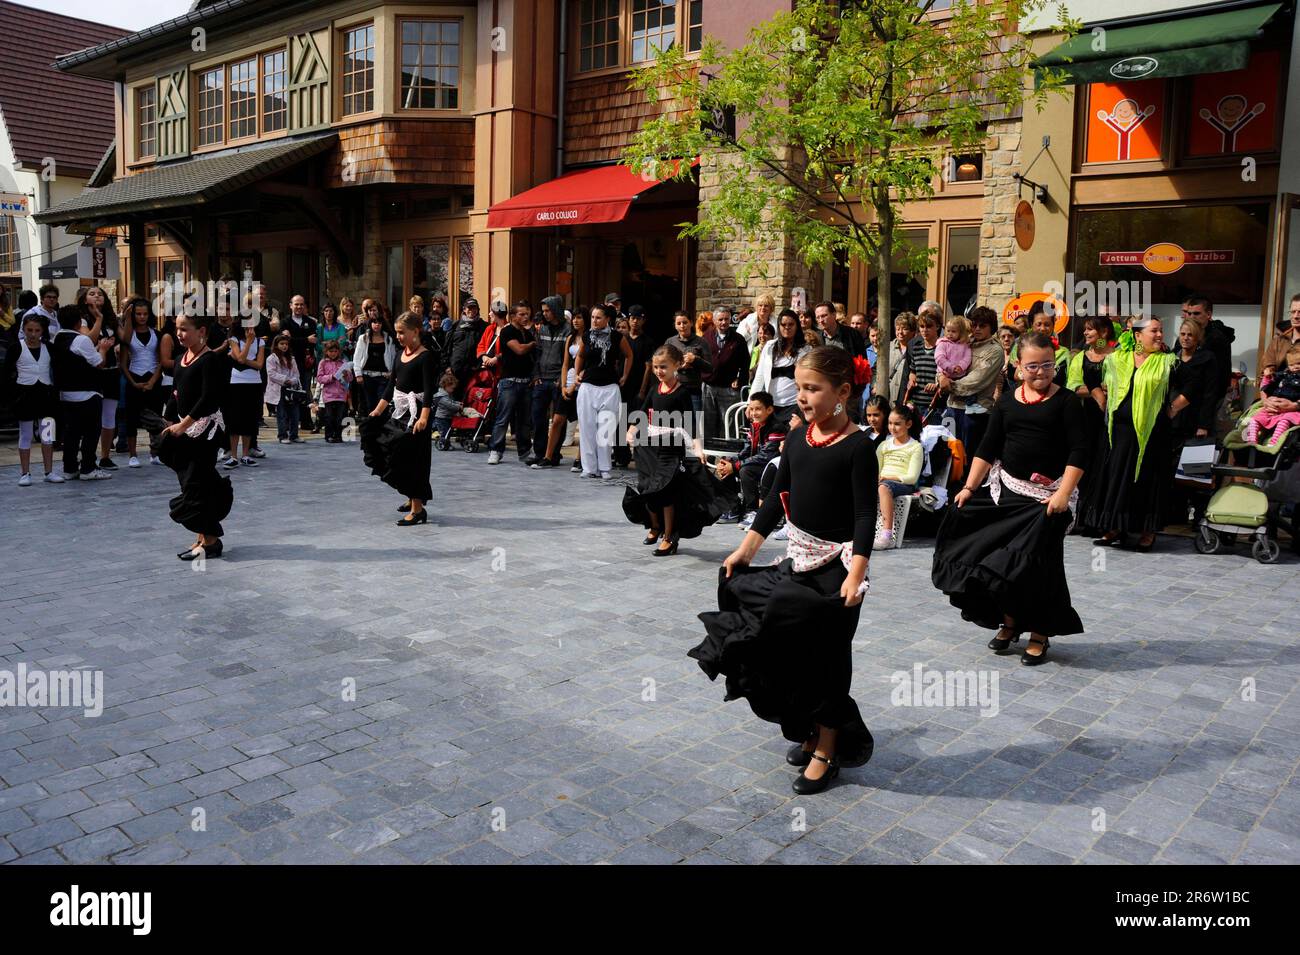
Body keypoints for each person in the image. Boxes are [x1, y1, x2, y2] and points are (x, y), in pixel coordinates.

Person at [690, 346, 876, 795]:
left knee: (827, 658)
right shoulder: (797, 438)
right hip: (798, 560)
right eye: (801, 388)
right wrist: (746, 548)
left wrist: (856, 572)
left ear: (843, 392)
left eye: (814, 389)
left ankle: (829, 746)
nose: (804, 397)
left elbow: (866, 516)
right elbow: (775, 500)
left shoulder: (857, 448)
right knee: (775, 634)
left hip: (837, 569)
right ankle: (811, 727)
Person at [932, 331, 1088, 666]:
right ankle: (1010, 622)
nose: (1041, 372)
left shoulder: (1067, 402)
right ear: (1018, 365)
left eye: (1047, 365)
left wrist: (1062, 494)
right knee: (999, 561)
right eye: (1033, 366)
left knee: (1037, 566)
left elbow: (1080, 451)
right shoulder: (1006, 403)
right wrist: (969, 488)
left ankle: (1040, 634)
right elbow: (987, 449)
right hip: (1009, 492)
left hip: (1048, 500)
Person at [622, 345, 727, 554]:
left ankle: (670, 537)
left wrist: (698, 449)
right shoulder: (654, 389)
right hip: (649, 448)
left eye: (663, 367)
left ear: (676, 366)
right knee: (647, 488)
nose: (659, 371)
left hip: (671, 450)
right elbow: (642, 414)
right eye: (655, 367)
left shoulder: (682, 393)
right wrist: (631, 431)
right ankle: (655, 526)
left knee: (665, 492)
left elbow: (691, 426)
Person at [1085, 316, 1177, 553]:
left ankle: (1147, 532)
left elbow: (1194, 385)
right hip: (1120, 432)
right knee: (1119, 478)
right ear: (1137, 336)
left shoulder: (1167, 362)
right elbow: (1091, 371)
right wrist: (1099, 396)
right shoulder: (1118, 358)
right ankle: (1115, 527)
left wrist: (1173, 408)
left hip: (1152, 434)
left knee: (1147, 479)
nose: (1159, 335)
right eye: (1154, 331)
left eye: (1161, 331)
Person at [160, 313, 234, 561]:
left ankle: (211, 539)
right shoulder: (181, 358)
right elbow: (176, 393)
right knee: (195, 484)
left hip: (205, 432)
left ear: (201, 331)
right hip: (184, 429)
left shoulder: (210, 360)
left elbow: (209, 398)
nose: (179, 334)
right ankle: (204, 537)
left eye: (184, 329)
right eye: (177, 329)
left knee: (195, 484)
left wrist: (185, 424)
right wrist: (169, 421)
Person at [361, 313, 436, 525]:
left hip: (418, 414)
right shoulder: (399, 354)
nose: (399, 336)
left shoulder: (426, 357)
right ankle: (411, 496)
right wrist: (377, 411)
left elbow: (429, 391)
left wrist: (423, 418)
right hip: (401, 412)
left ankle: (418, 508)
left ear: (416, 331)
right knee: (392, 451)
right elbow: (390, 387)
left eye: (402, 332)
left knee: (415, 460)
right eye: (397, 332)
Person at [50, 304, 114, 480]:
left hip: (66, 394)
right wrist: (103, 349)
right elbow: (98, 363)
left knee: (72, 433)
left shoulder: (57, 338)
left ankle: (69, 467)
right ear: (79, 322)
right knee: (91, 432)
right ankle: (88, 467)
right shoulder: (81, 340)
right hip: (87, 393)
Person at [1068, 316, 1115, 533]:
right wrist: (1096, 391)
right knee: (1083, 466)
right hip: (1085, 418)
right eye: (1085, 330)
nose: (1085, 334)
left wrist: (1103, 391)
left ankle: (1099, 520)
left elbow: (1118, 385)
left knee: (1102, 466)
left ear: (1104, 333)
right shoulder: (1080, 357)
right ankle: (1081, 518)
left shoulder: (1115, 356)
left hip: (1108, 421)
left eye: (1090, 330)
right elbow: (1073, 386)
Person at [574, 303, 632, 480]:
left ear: (607, 319)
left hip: (609, 387)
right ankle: (589, 467)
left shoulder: (616, 336)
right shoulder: (587, 336)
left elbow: (629, 355)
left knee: (605, 430)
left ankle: (605, 467)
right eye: (592, 317)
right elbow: (580, 356)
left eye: (598, 317)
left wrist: (624, 376)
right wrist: (577, 374)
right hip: (588, 386)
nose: (594, 320)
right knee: (587, 428)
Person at [938, 306, 1003, 456]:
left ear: (991, 328)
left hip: (975, 412)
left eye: (982, 325)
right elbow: (943, 363)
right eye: (974, 325)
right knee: (948, 454)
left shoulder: (994, 350)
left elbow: (977, 380)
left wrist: (950, 385)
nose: (977, 329)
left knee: (968, 457)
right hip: (952, 406)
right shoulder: (963, 342)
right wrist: (941, 377)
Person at [715, 390, 786, 525]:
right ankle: (733, 508)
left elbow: (766, 456)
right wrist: (730, 462)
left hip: (773, 467)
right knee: (727, 465)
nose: (753, 413)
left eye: (758, 409)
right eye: (751, 409)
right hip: (758, 463)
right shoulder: (754, 425)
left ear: (769, 409)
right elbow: (746, 450)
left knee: (745, 470)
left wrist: (736, 465)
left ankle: (752, 511)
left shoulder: (776, 427)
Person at [4, 314, 60, 485]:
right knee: (26, 434)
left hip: (46, 395)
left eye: (37, 330)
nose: (33, 334)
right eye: (29, 330)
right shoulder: (16, 348)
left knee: (47, 435)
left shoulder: (49, 348)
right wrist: (12, 395)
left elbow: (56, 369)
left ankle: (49, 471)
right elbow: (6, 373)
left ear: (42, 331)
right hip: (25, 394)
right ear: (24, 329)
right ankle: (25, 472)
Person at [486, 301, 536, 466]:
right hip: (509, 381)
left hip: (525, 381)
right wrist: (533, 344)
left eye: (527, 314)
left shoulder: (528, 333)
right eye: (521, 314)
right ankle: (496, 450)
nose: (525, 317)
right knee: (503, 418)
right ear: (513, 316)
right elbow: (519, 350)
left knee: (524, 420)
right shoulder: (507, 331)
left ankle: (524, 451)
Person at [119, 297, 164, 468]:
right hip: (134, 377)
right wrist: (132, 382)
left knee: (155, 417)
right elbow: (123, 363)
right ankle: (133, 455)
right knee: (131, 418)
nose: (142, 317)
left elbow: (161, 360)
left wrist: (153, 380)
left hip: (153, 377)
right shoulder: (128, 336)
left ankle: (155, 453)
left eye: (145, 313)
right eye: (138, 314)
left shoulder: (156, 334)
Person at [874, 405, 924, 548]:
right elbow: (876, 470)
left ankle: (887, 536)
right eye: (890, 423)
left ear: (908, 424)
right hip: (883, 481)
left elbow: (912, 477)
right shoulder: (883, 445)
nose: (892, 427)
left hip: (903, 485)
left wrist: (887, 478)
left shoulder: (915, 447)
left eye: (897, 424)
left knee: (884, 487)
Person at [528, 295, 569, 467]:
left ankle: (554, 454)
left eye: (548, 310)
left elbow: (568, 359)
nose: (545, 314)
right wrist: (536, 376)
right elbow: (536, 354)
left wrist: (562, 379)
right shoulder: (542, 329)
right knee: (538, 417)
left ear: (556, 310)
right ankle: (539, 453)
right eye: (543, 311)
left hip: (557, 381)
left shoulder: (568, 330)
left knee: (558, 420)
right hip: (541, 379)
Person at [545, 309, 588, 471]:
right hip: (567, 382)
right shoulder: (570, 337)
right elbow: (565, 364)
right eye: (574, 318)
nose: (576, 321)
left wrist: (573, 386)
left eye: (579, 318)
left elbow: (587, 364)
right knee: (557, 421)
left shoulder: (590, 338)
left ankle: (580, 459)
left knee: (583, 423)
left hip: (583, 385)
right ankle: (548, 456)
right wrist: (564, 386)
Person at [614, 305, 654, 467]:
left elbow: (648, 367)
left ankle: (640, 457)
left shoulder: (648, 342)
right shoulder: (622, 340)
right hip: (621, 387)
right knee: (619, 423)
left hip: (638, 388)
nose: (635, 321)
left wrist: (643, 391)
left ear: (643, 320)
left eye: (638, 318)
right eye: (632, 318)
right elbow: (616, 362)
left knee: (637, 423)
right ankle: (621, 457)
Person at [701, 306, 749, 440]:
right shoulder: (706, 337)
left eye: (726, 319)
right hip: (708, 387)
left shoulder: (738, 339)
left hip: (729, 389)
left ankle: (729, 457)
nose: (724, 322)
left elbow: (745, 364)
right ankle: (708, 456)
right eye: (720, 319)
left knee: (729, 424)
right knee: (708, 423)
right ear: (715, 321)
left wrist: (740, 381)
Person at [1180, 295, 1234, 411]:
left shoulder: (1217, 339)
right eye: (1189, 314)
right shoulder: (1186, 334)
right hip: (1185, 396)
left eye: (1196, 313)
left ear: (1208, 315)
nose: (1192, 317)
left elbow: (1219, 377)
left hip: (1207, 400)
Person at [224, 325, 265, 468]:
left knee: (250, 418)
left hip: (254, 382)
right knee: (235, 418)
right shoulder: (234, 339)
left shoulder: (260, 342)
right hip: (236, 382)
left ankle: (246, 455)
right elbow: (240, 359)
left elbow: (259, 365)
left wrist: (241, 358)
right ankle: (233, 456)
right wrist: (248, 342)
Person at [1243, 344, 1300, 447]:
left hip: (1293, 408)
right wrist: (1268, 378)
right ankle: (1251, 441)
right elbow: (1269, 384)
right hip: (1273, 404)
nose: (1295, 367)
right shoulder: (1284, 375)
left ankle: (1274, 443)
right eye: (1292, 365)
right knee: (1256, 418)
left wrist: (1295, 405)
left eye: (1299, 364)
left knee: (1286, 420)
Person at [352, 309, 396, 415]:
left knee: (382, 404)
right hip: (367, 376)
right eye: (374, 322)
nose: (377, 325)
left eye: (379, 322)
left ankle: (382, 429)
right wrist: (358, 374)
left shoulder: (388, 339)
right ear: (370, 324)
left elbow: (393, 357)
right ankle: (372, 429)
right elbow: (357, 358)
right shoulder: (363, 338)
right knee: (370, 404)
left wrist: (392, 372)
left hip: (383, 377)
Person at [670, 309, 711, 419]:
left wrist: (695, 360)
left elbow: (710, 368)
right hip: (674, 389)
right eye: (679, 323)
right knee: (675, 424)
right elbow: (664, 364)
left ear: (691, 323)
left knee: (693, 426)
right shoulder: (670, 342)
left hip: (693, 391)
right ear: (675, 325)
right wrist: (678, 366)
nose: (682, 326)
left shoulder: (701, 342)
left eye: (685, 322)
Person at [266, 333, 305, 444]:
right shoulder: (271, 358)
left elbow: (296, 374)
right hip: (279, 388)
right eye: (282, 344)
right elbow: (271, 374)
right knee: (281, 414)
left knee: (295, 413)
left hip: (291, 389)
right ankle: (282, 435)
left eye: (286, 344)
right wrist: (285, 379)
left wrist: (292, 381)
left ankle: (294, 435)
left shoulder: (291, 358)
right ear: (276, 345)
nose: (284, 346)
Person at [447, 297, 487, 399]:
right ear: (464, 309)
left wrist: (479, 365)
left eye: (474, 308)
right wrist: (447, 366)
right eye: (469, 308)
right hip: (455, 371)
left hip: (474, 372)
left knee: (471, 400)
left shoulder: (484, 326)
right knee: (454, 402)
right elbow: (447, 348)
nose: (471, 310)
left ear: (478, 310)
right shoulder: (456, 325)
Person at [905, 310, 940, 421]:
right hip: (915, 403)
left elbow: (948, 374)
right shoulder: (916, 348)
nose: (925, 330)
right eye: (921, 326)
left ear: (937, 326)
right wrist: (911, 379)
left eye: (929, 326)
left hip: (935, 405)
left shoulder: (943, 349)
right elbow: (913, 371)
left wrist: (937, 383)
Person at [315, 339, 353, 443]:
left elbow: (350, 379)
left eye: (335, 351)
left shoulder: (343, 362)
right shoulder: (323, 363)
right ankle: (329, 435)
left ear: (339, 352)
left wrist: (346, 375)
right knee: (329, 416)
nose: (333, 354)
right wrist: (331, 377)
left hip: (341, 394)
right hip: (328, 395)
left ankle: (338, 435)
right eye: (331, 351)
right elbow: (319, 378)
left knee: (340, 417)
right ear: (326, 351)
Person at [1261, 293, 1300, 377]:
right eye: (1293, 312)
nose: (1296, 316)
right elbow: (1264, 370)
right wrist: (1268, 371)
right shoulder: (1279, 341)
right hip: (1277, 388)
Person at [887, 312, 917, 405]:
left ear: (913, 331)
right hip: (887, 397)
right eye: (898, 329)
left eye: (905, 329)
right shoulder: (888, 347)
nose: (900, 332)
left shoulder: (917, 349)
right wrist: (875, 386)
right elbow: (876, 370)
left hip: (906, 399)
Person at [430, 371, 466, 448]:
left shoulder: (446, 395)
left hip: (447, 417)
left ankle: (446, 443)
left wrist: (458, 403)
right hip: (441, 418)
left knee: (448, 432)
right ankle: (443, 444)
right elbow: (449, 405)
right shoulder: (442, 397)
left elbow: (451, 402)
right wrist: (458, 406)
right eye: (452, 388)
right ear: (446, 385)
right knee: (444, 432)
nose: (453, 390)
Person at [748, 320, 775, 385]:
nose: (762, 336)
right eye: (760, 333)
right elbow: (750, 370)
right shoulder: (754, 350)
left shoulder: (775, 351)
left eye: (766, 333)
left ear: (772, 336)